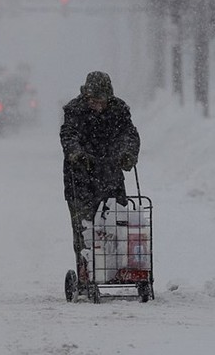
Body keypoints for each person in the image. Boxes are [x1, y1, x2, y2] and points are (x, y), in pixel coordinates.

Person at [60, 71, 140, 283]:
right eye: (93, 101)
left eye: (101, 101)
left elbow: (129, 135)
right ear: (86, 97)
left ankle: (117, 270)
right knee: (85, 228)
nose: (97, 105)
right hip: (80, 180)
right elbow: (68, 136)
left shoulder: (119, 110)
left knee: (116, 224)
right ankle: (87, 273)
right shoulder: (74, 110)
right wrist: (77, 154)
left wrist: (128, 154)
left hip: (110, 176)